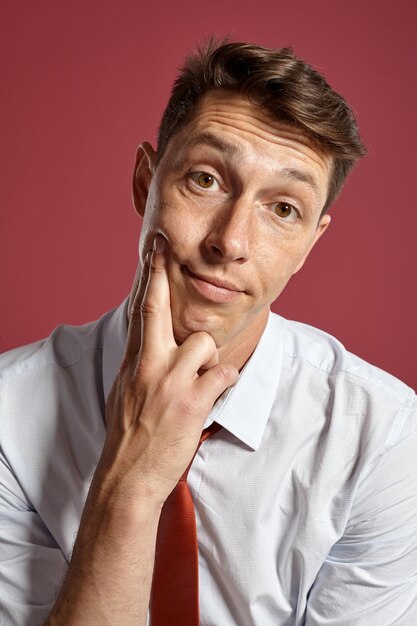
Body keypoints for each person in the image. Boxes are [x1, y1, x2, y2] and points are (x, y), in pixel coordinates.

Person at [0, 39, 416, 626]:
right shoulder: (7, 417)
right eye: (205, 179)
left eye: (283, 209)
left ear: (310, 245)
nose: (231, 242)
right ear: (146, 182)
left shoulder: (382, 438)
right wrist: (137, 475)